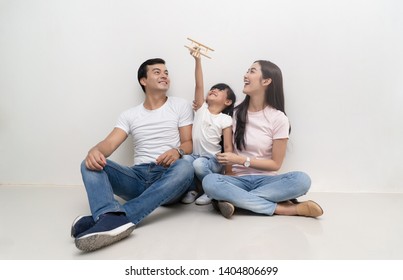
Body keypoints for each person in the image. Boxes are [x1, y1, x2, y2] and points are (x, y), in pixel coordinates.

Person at [71, 58, 194, 252]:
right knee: (88, 163)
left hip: (168, 176)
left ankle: (112, 218)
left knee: (187, 166)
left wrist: (177, 151)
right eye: (157, 72)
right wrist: (93, 151)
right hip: (137, 178)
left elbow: (189, 143)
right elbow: (109, 143)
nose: (164, 76)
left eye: (166, 72)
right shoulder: (130, 115)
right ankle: (107, 215)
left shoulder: (180, 105)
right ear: (143, 81)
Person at [203, 60, 323, 219]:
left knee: (302, 180)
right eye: (247, 71)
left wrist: (240, 160)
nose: (245, 75)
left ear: (266, 81)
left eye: (252, 71)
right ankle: (285, 209)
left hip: (268, 181)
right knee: (210, 181)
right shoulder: (235, 112)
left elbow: (275, 164)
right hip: (238, 180)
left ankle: (233, 200)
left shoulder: (279, 119)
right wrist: (230, 170)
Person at [181, 49, 236, 205]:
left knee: (198, 164)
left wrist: (229, 171)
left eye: (220, 91)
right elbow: (199, 85)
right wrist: (198, 61)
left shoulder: (225, 119)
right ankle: (193, 189)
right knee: (185, 159)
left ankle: (211, 190)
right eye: (213, 88)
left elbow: (227, 147)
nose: (214, 90)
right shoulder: (201, 109)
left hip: (213, 160)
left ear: (228, 102)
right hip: (196, 156)